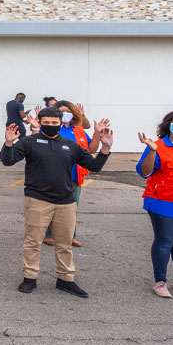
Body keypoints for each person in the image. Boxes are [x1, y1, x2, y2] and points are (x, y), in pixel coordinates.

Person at [0, 107, 112, 298]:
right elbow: (7, 161)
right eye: (46, 122)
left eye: (54, 122)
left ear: (61, 123)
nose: (50, 125)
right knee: (33, 242)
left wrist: (105, 149)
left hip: (66, 202)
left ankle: (65, 279)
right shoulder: (29, 142)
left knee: (64, 243)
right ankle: (29, 277)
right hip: (37, 200)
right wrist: (9, 143)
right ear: (40, 122)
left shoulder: (70, 145)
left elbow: (93, 166)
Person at [42, 100, 107, 248]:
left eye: (68, 111)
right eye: (62, 111)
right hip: (53, 175)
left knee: (72, 207)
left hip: (74, 175)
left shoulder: (78, 130)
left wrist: (97, 133)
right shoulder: (51, 129)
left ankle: (70, 235)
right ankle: (49, 234)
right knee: (52, 206)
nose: (65, 114)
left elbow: (91, 149)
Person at [137, 110, 173, 298]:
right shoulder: (158, 146)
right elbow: (144, 172)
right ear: (169, 124)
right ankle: (160, 281)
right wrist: (152, 151)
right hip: (162, 202)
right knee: (165, 240)